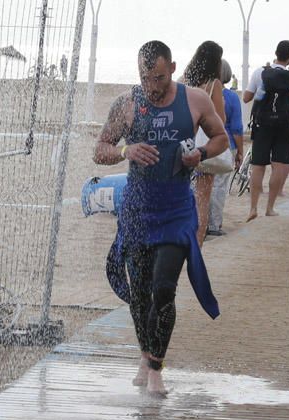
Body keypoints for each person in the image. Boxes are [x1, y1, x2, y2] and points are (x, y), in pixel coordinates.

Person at [93, 41, 228, 395]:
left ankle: (155, 366)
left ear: (172, 68)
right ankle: (145, 352)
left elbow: (222, 140)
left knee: (164, 289)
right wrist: (126, 149)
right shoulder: (126, 105)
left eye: (158, 77)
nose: (151, 86)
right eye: (144, 77)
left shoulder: (195, 99)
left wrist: (198, 154)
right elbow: (100, 150)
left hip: (176, 211)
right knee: (140, 296)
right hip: (137, 210)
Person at [243, 40, 289, 221]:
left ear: (275, 53)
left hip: (262, 125)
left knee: (258, 166)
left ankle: (253, 208)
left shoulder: (260, 72)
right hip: (283, 126)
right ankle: (270, 207)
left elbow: (246, 98)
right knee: (278, 166)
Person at [182, 41, 226, 248]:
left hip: (182, 143)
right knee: (202, 198)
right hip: (204, 149)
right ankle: (196, 247)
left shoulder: (183, 80)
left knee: (181, 194)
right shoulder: (212, 84)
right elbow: (220, 120)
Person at [207, 59, 244, 237]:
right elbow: (237, 129)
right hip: (224, 146)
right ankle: (214, 225)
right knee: (219, 187)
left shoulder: (201, 93)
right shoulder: (231, 98)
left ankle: (200, 223)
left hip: (204, 147)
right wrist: (240, 152)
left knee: (201, 185)